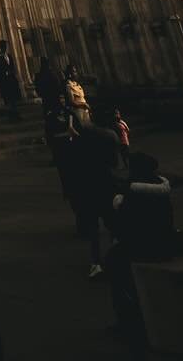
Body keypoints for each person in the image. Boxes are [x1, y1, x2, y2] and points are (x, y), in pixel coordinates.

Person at [105, 150, 183, 343]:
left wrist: (117, 208)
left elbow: (123, 227)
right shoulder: (160, 188)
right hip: (165, 243)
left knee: (114, 265)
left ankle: (128, 320)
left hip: (143, 247)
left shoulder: (133, 193)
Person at [70, 112, 127, 278]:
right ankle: (117, 256)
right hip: (106, 182)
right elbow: (115, 163)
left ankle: (96, 263)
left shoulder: (83, 135)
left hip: (88, 184)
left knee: (93, 227)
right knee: (113, 222)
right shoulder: (110, 136)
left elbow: (75, 159)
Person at [0, 40, 22, 121]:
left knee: (13, 98)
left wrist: (12, 71)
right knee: (9, 98)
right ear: (1, 47)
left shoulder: (9, 56)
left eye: (5, 46)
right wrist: (5, 72)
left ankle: (15, 114)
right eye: (3, 46)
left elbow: (12, 65)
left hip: (11, 78)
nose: (4, 48)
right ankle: (12, 115)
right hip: (5, 79)